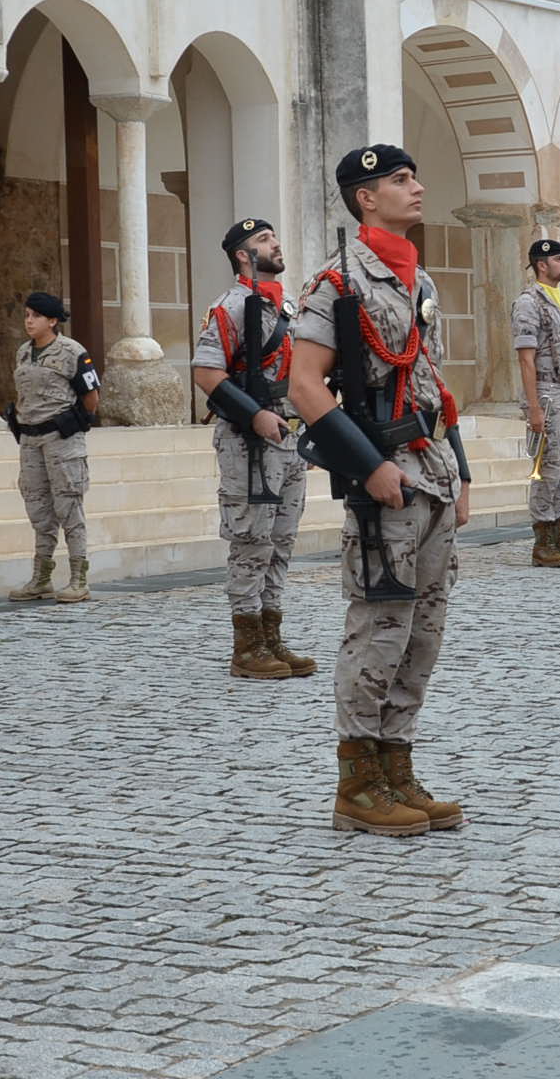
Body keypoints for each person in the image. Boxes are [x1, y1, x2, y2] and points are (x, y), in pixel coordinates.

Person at [287, 144, 471, 836]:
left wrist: (459, 472)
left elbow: (433, 388)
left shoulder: (418, 281)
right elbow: (304, 385)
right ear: (366, 197)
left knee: (424, 632)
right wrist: (368, 467)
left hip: (431, 471)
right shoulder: (339, 283)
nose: (416, 187)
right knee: (378, 628)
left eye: (413, 175)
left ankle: (398, 765)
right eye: (400, 179)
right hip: (386, 477)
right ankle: (358, 784)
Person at [193, 216, 314, 679]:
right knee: (251, 542)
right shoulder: (231, 306)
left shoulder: (285, 308)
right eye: (264, 240)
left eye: (275, 236)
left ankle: (271, 637)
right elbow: (207, 373)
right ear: (243, 255)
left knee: (280, 541)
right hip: (250, 440)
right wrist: (256, 415)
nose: (276, 244)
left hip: (290, 438)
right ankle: (246, 647)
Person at [2, 293, 98, 600]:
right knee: (38, 508)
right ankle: (41, 577)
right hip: (30, 440)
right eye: (27, 315)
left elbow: (91, 398)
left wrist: (72, 424)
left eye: (36, 316)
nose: (29, 321)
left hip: (62, 439)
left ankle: (78, 578)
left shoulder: (72, 351)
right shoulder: (22, 352)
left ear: (53, 321)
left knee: (69, 505)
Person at [515, 238, 560, 568]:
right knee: (548, 469)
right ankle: (543, 540)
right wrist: (533, 407)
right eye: (559, 259)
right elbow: (526, 359)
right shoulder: (529, 302)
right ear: (542, 265)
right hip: (545, 392)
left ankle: (558, 534)